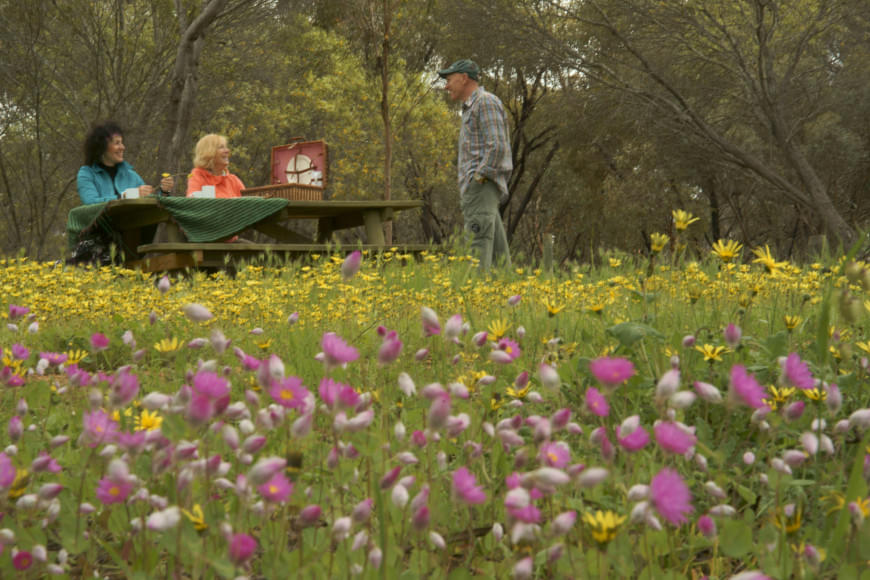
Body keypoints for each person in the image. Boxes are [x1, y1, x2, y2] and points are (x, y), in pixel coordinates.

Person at [438, 59, 512, 270]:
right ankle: (507, 290)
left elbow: (497, 147)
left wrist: (478, 179)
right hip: (481, 189)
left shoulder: (484, 102)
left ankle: (474, 290)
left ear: (464, 78)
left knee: (476, 246)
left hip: (481, 188)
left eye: (449, 79)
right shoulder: (472, 107)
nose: (446, 86)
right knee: (498, 256)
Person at [77, 122, 174, 205]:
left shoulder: (131, 176)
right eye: (117, 143)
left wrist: (164, 192)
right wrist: (128, 195)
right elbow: (91, 203)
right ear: (102, 146)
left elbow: (151, 206)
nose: (123, 147)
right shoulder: (87, 174)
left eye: (122, 143)